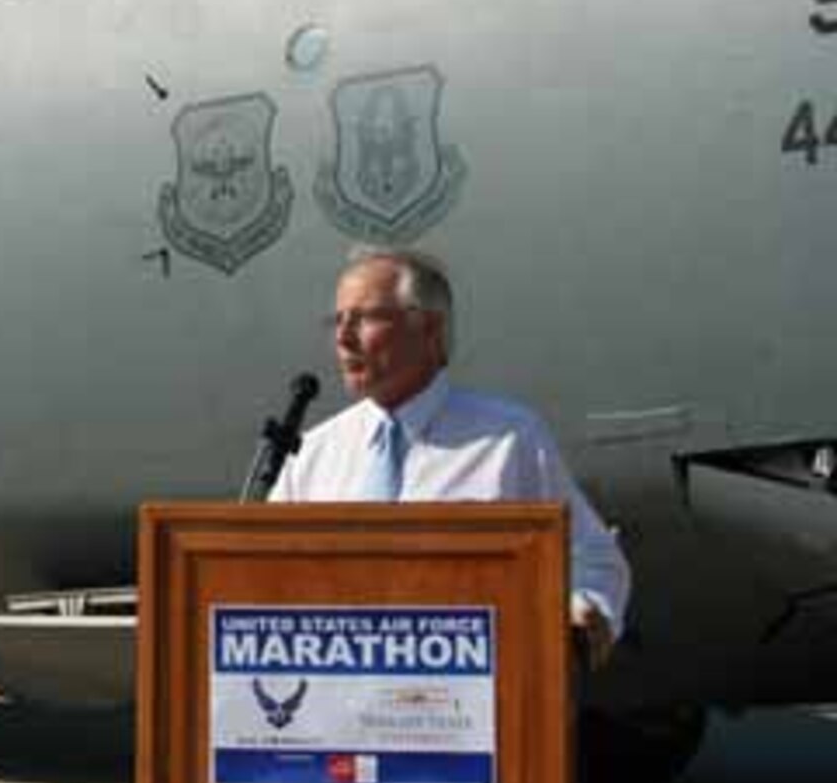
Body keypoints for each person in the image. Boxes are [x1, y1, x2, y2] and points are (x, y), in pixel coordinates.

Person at [271, 248, 632, 666]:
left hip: (464, 706)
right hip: (337, 709)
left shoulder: (506, 440)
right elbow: (263, 578)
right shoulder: (315, 453)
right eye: (337, 320)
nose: (343, 337)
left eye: (365, 318)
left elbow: (595, 559)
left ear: (428, 328)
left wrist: (583, 613)